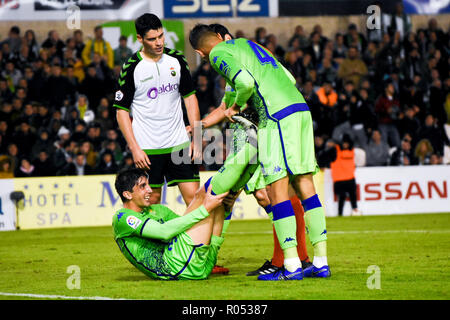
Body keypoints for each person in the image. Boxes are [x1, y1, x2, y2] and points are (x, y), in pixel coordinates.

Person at [189, 25, 330, 280]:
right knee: (305, 185)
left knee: (277, 191)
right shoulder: (250, 46)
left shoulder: (218, 54)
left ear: (201, 52)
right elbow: (289, 78)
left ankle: (290, 267)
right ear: (222, 36)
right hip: (300, 109)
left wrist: (240, 105)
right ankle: (321, 262)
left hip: (275, 117)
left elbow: (244, 82)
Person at [113, 117, 258, 280]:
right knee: (210, 195)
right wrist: (205, 209)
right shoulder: (122, 218)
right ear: (127, 194)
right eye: (142, 186)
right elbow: (164, 232)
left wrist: (223, 210)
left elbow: (188, 227)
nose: (149, 190)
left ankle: (249, 149)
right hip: (176, 267)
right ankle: (250, 146)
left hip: (198, 261)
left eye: (147, 184)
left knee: (204, 195)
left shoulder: (158, 209)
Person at [114, 13, 202, 209]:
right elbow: (121, 112)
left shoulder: (177, 60)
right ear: (140, 39)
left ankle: (198, 242)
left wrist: (196, 137)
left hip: (179, 143)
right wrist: (135, 148)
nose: (159, 42)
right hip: (147, 148)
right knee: (152, 204)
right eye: (152, 39)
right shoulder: (131, 68)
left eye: (161, 36)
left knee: (195, 201)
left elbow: (190, 99)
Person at [328, 135, 361, 216]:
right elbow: (325, 156)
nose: (345, 145)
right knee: (342, 197)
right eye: (344, 143)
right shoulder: (335, 150)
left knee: (353, 196)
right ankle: (340, 214)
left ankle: (355, 211)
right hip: (339, 179)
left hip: (350, 178)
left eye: (347, 143)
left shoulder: (352, 151)